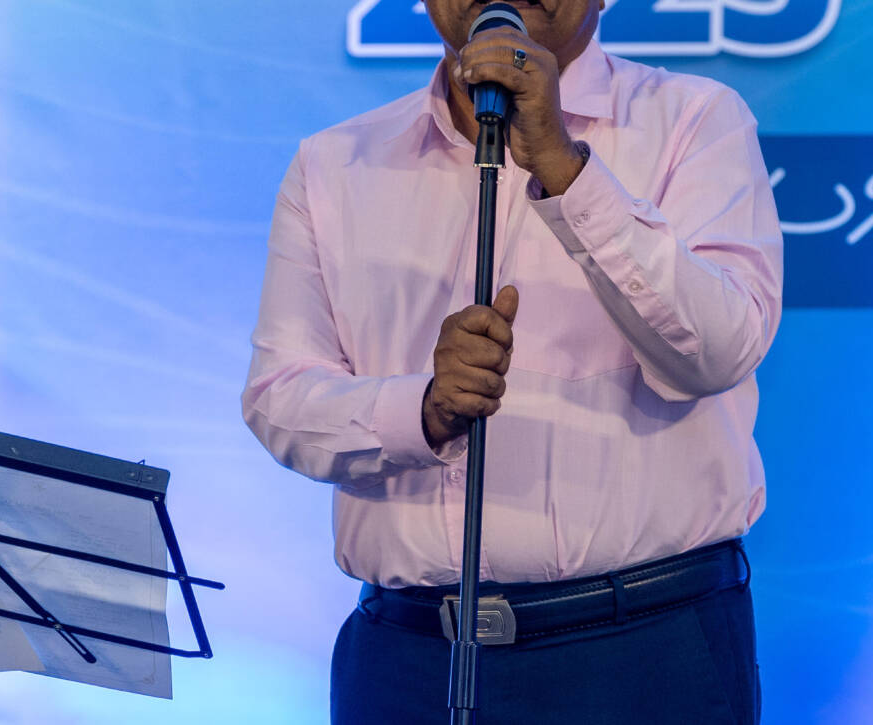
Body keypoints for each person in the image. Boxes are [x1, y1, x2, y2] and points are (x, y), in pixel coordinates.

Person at [242, 0, 781, 721]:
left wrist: (563, 164)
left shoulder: (694, 120)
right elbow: (279, 398)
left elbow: (716, 352)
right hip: (407, 658)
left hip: (641, 649)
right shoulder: (335, 163)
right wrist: (424, 409)